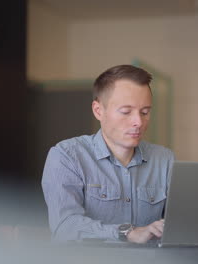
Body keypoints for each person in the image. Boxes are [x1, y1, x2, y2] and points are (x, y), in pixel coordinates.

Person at [42, 65, 174, 243]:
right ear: (98, 111)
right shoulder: (67, 156)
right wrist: (127, 233)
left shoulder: (164, 160)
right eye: (126, 112)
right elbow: (65, 226)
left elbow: (180, 225)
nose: (138, 122)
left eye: (145, 112)